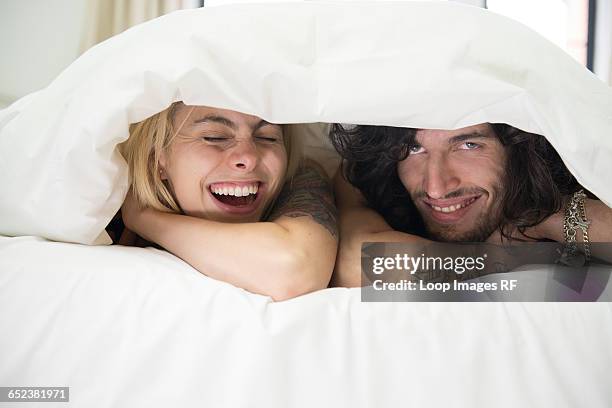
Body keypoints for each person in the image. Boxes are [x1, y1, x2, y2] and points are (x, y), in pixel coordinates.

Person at [330, 123, 612, 287]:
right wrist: (506, 253)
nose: (436, 187)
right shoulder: (366, 175)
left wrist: (544, 217)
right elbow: (361, 262)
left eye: (468, 146)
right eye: (413, 149)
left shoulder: (572, 169)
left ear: (518, 149)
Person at [115, 102, 338, 301]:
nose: (248, 159)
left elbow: (296, 270)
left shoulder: (316, 182)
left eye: (267, 137)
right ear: (156, 159)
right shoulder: (99, 211)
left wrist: (146, 218)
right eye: (215, 137)